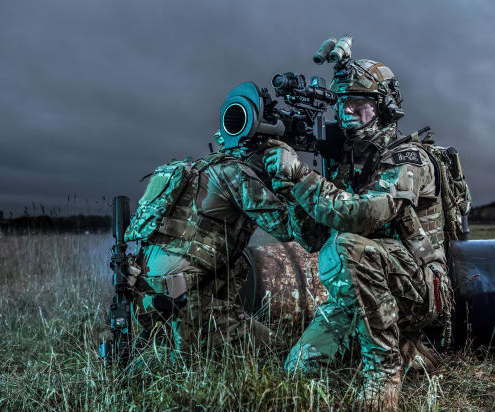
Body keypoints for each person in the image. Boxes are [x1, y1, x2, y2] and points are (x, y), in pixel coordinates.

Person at [264, 59, 471, 408]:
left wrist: (301, 176)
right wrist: (288, 186)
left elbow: (359, 217)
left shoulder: (409, 158)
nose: (347, 113)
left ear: (386, 108)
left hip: (419, 288)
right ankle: (407, 351)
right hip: (360, 293)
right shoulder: (349, 163)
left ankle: (384, 371)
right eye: (342, 104)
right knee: (298, 371)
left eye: (359, 105)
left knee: (349, 245)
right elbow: (313, 237)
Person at [124, 131, 325, 358]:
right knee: (280, 354)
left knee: (236, 264)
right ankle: (181, 349)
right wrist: (291, 179)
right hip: (184, 309)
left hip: (146, 305)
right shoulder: (237, 174)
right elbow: (302, 235)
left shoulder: (191, 170)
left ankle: (166, 345)